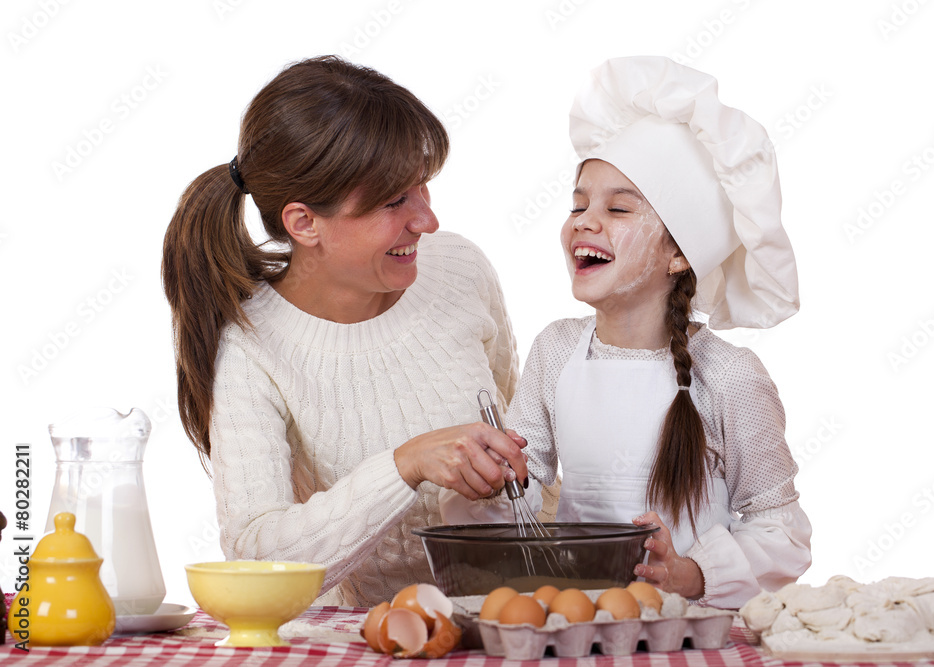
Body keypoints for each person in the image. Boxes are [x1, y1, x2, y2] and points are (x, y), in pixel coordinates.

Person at [442, 56, 811, 610]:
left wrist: (691, 573)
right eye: (578, 204)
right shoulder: (556, 350)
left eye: (618, 208)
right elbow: (516, 496)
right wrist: (489, 481)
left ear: (679, 254)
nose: (584, 221)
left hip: (686, 629)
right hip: (578, 621)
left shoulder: (730, 377)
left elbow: (782, 529)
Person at [161, 55, 530, 607]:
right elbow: (255, 557)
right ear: (304, 223)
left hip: (517, 616)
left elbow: (519, 422)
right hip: (363, 635)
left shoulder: (459, 268)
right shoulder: (251, 349)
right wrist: (405, 465)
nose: (427, 220)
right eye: (394, 201)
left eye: (423, 187)